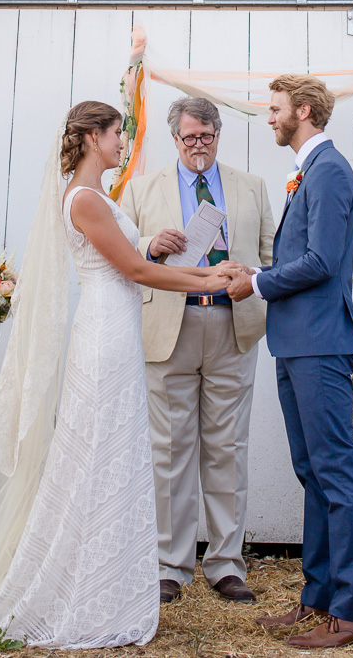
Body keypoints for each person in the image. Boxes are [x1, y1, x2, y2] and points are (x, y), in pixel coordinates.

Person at [0, 101, 231, 649]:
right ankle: (77, 591)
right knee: (96, 456)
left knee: (110, 456)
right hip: (106, 335)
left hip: (117, 327)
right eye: (116, 134)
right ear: (92, 139)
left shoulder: (97, 197)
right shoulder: (84, 199)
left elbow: (133, 259)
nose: (122, 143)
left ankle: (101, 585)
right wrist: (214, 279)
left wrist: (186, 261)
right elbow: (132, 271)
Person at [226, 74, 353, 650]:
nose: (268, 117)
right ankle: (317, 598)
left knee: (336, 473)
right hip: (293, 343)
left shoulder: (332, 171)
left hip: (319, 343)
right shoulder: (310, 172)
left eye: (275, 109)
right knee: (312, 473)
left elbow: (321, 260)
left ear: (304, 111)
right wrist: (255, 276)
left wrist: (257, 282)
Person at [121, 97, 275, 604]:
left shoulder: (251, 187)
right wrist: (150, 244)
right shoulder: (143, 189)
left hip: (234, 325)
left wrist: (252, 282)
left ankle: (227, 563)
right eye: (189, 137)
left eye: (207, 136)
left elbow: (273, 256)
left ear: (218, 134)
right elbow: (120, 252)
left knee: (227, 448)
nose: (198, 146)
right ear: (174, 137)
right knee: (169, 450)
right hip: (170, 324)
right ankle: (170, 565)